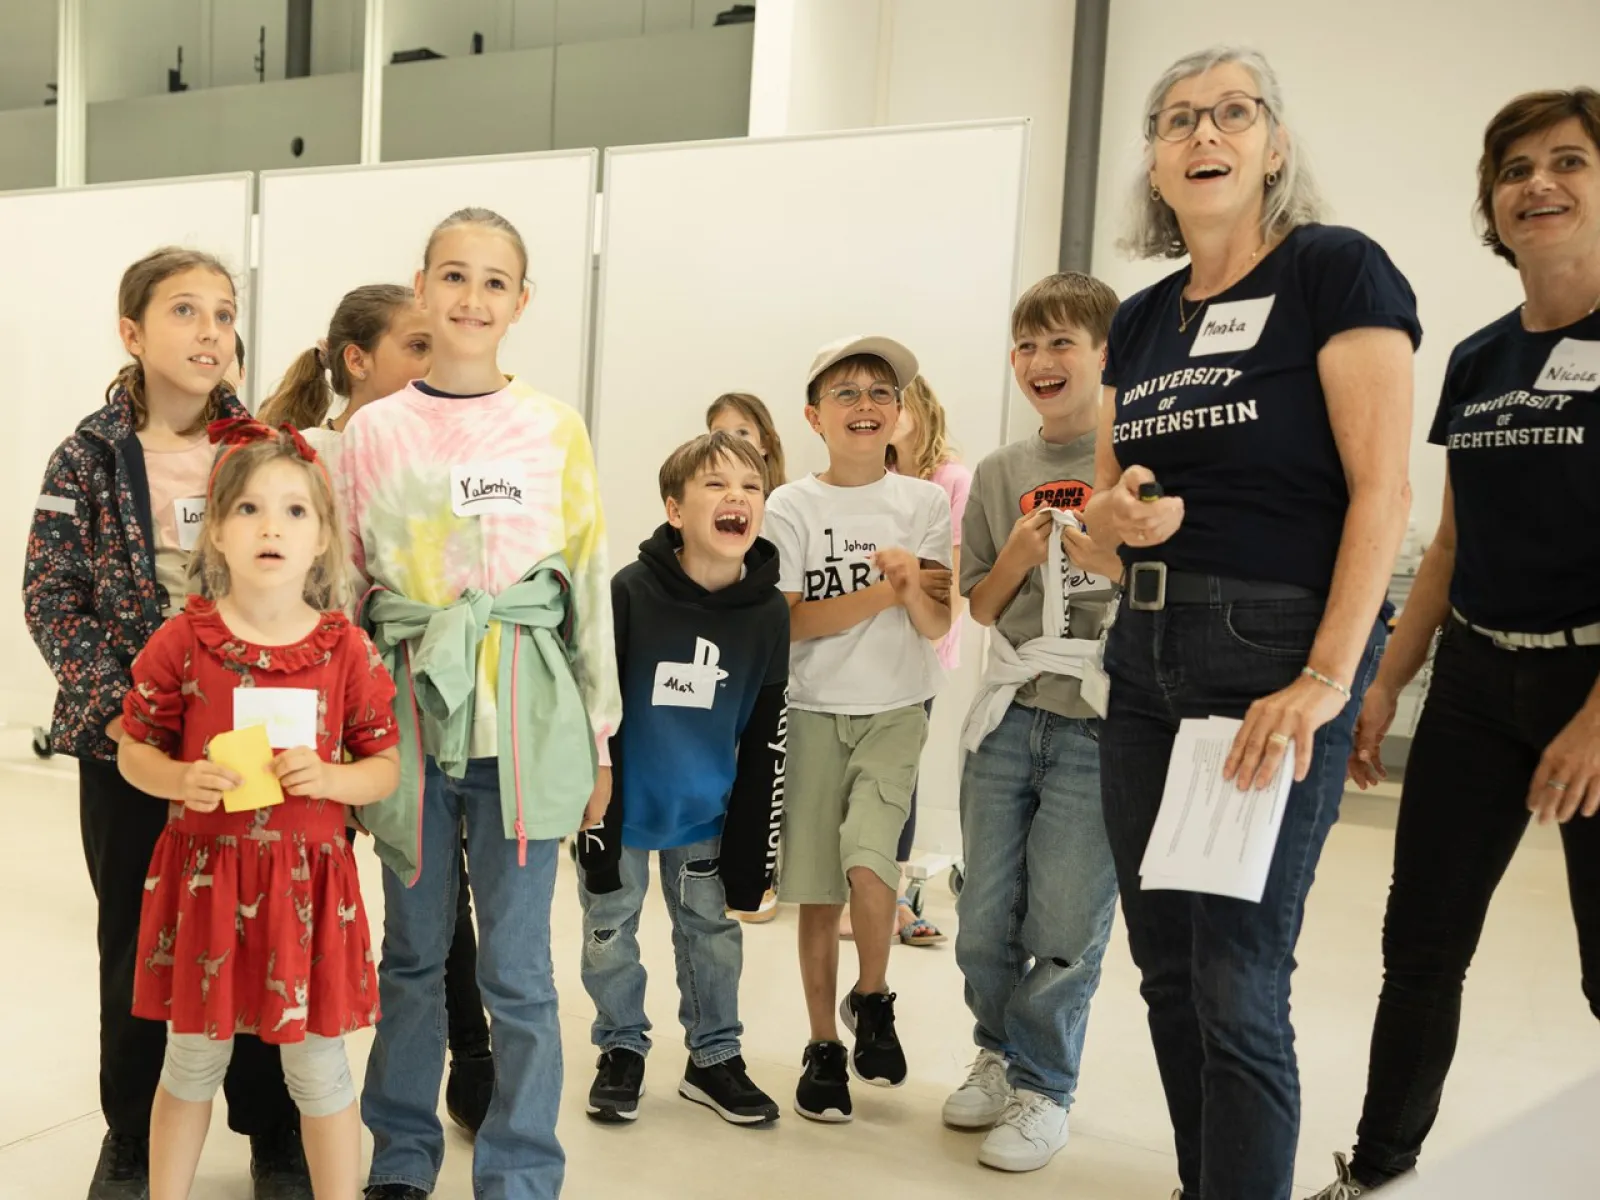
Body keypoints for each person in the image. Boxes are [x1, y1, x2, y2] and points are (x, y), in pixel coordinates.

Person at [1083, 46, 1420, 1200]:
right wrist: (1121, 515)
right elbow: (1096, 520)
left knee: (1235, 977)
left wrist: (1329, 678)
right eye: (1175, 120)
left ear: (1273, 144)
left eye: (1231, 112)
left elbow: (1383, 490)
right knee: (1167, 972)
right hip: (1144, 659)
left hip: (1270, 655)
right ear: (1155, 162)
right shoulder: (1137, 324)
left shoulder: (1334, 271)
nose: (1201, 134)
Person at [1310, 86, 1600, 1200]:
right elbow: (1446, 546)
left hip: (1591, 680)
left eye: (1568, 162)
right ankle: (1378, 1169)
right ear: (1491, 201)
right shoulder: (1477, 360)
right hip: (1479, 675)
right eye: (1516, 168)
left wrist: (1590, 724)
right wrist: (1382, 684)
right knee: (1420, 947)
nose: (1539, 184)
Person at [25, 247, 315, 1200]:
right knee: (140, 941)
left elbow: (315, 577)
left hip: (252, 742)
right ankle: (132, 1135)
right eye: (185, 312)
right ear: (133, 333)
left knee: (267, 931)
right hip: (133, 749)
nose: (209, 332)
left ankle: (273, 1131)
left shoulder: (268, 449)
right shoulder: (86, 455)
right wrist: (130, 720)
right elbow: (51, 597)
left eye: (224, 314)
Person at [346, 207, 620, 1200]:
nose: (471, 298)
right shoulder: (371, 431)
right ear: (422, 289)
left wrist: (599, 741)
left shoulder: (553, 428)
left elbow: (586, 582)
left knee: (519, 973)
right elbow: (345, 586)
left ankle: (519, 1173)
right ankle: (401, 1157)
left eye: (494, 281)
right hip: (407, 717)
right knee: (412, 955)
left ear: (521, 302)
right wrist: (338, 742)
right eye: (453, 277)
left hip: (525, 715)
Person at [117, 419, 401, 1200]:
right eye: (248, 509)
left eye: (294, 512)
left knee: (317, 1068)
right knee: (191, 1061)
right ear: (215, 531)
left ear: (323, 541)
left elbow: (384, 768)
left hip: (307, 896)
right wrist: (179, 779)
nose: (271, 525)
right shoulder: (183, 640)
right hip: (206, 886)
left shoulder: (348, 652)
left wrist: (332, 779)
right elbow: (132, 750)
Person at [257, 287, 496, 1135]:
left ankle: (471, 1060)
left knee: (430, 886)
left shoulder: (436, 454)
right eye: (416, 348)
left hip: (402, 706)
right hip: (304, 709)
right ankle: (290, 1107)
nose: (436, 367)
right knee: (294, 893)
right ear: (358, 361)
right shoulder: (307, 453)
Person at [944, 272, 1123, 1173]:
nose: (1042, 362)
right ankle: (997, 1051)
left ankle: (1045, 1088)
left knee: (1064, 920)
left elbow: (1166, 589)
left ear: (1105, 355)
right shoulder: (1001, 473)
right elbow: (977, 607)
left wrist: (1110, 550)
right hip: (1010, 714)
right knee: (982, 916)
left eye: (1063, 343)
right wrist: (1018, 551)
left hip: (1099, 721)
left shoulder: (1135, 464)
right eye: (1028, 345)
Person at [763, 335, 953, 1123]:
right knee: (814, 889)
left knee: (873, 868)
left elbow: (940, 616)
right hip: (810, 714)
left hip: (896, 712)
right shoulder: (790, 506)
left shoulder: (926, 504)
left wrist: (912, 589)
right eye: (846, 394)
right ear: (815, 416)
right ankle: (821, 1045)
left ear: (900, 415)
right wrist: (882, 593)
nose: (866, 405)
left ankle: (872, 998)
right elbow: (791, 623)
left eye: (881, 393)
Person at [575, 431, 789, 1127]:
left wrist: (756, 840)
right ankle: (622, 1047)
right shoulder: (632, 591)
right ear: (675, 509)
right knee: (610, 930)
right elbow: (595, 698)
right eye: (716, 486)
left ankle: (714, 1057)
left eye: (751, 487)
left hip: (707, 815)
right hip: (624, 806)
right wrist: (594, 785)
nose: (737, 498)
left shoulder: (766, 612)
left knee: (711, 936)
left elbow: (765, 732)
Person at [707, 392, 788, 492]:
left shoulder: (781, 502)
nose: (730, 442)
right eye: (720, 434)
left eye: (742, 432)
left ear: (764, 445)